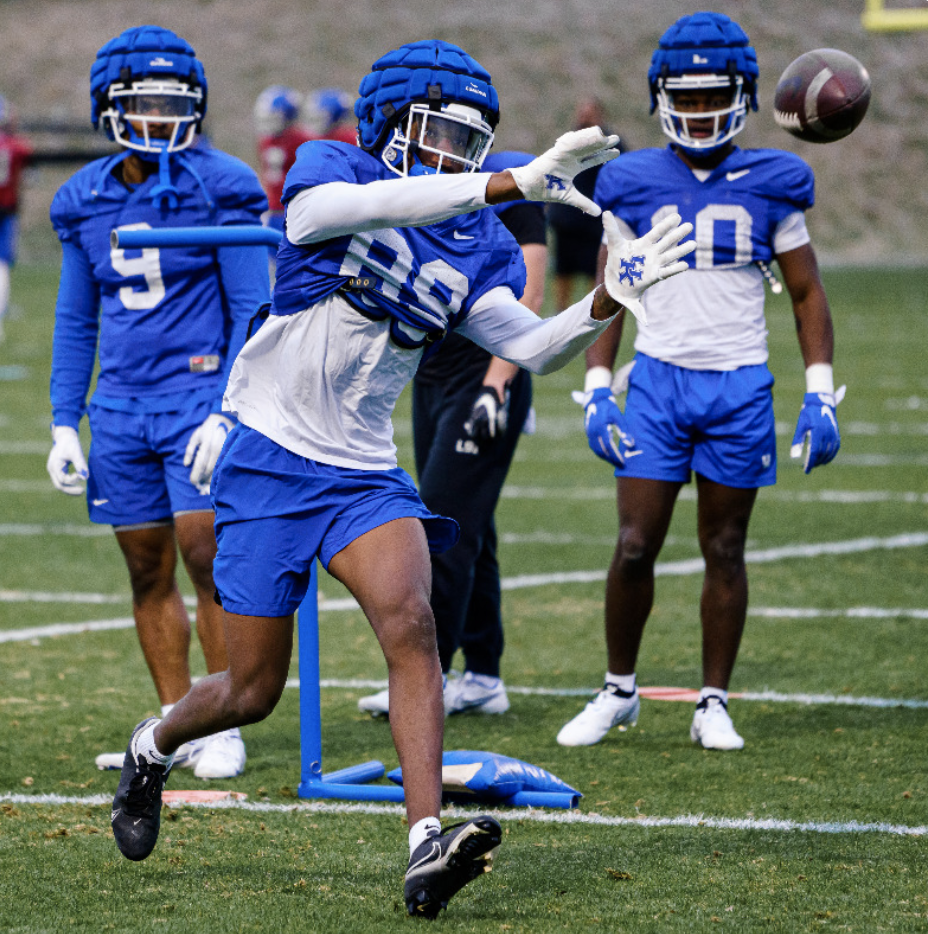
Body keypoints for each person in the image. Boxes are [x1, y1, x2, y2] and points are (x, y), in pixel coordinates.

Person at [105, 38, 693, 918]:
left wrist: (608, 298)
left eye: (471, 143)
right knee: (252, 691)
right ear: (389, 126)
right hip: (268, 456)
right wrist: (501, 183)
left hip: (361, 469)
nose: (458, 157)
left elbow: (531, 347)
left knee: (412, 624)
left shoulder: (475, 240)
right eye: (440, 136)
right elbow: (316, 220)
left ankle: (426, 840)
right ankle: (153, 745)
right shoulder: (332, 167)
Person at [557, 11, 843, 752]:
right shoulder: (628, 178)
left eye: (711, 96)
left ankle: (712, 700)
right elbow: (610, 289)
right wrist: (596, 387)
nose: (697, 111)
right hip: (655, 382)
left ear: (743, 96)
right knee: (632, 545)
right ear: (659, 99)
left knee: (724, 548)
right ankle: (619, 689)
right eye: (682, 98)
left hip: (739, 387)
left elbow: (808, 293)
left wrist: (819, 389)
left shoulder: (776, 180)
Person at [46, 26, 270, 780]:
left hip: (200, 399)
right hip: (120, 410)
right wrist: (61, 420)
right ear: (109, 108)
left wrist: (227, 411)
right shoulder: (83, 198)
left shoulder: (226, 182)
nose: (157, 117)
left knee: (207, 557)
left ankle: (223, 719)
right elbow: (78, 318)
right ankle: (176, 728)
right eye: (140, 103)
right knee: (147, 572)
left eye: (172, 103)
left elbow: (253, 310)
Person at [358, 149, 548, 718]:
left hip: (481, 379)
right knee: (473, 528)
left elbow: (528, 296)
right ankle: (484, 674)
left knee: (442, 529)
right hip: (432, 379)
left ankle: (426, 678)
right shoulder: (419, 186)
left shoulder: (512, 179)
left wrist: (497, 385)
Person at [546, 98, 624, 312]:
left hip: (594, 225)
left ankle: (592, 318)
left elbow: (620, 180)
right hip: (566, 222)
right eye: (581, 113)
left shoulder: (612, 144)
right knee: (563, 274)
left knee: (596, 274)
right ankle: (559, 317)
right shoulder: (567, 141)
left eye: (588, 114)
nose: (583, 118)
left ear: (599, 116)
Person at [253, 85, 314, 239]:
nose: (268, 123)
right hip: (273, 210)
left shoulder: (302, 140)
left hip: (295, 211)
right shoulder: (266, 140)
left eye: (273, 117)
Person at [0, 95, 35, 343]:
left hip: (7, 210)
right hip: (7, 209)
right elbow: (32, 174)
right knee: (1, 267)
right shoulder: (17, 146)